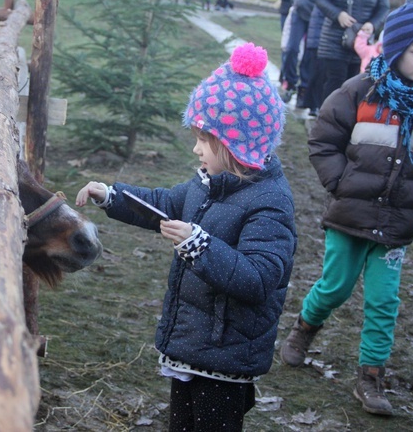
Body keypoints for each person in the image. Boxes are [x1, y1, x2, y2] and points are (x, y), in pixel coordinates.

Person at [76, 43, 297, 431]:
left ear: (234, 144)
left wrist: (201, 246)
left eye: (204, 138)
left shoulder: (270, 203)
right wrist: (113, 196)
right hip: (193, 345)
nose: (196, 148)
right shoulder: (207, 185)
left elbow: (261, 278)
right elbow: (162, 203)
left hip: (227, 355)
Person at [280, 0, 413, 416]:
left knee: (385, 300)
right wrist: (340, 182)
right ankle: (303, 329)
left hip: (398, 224)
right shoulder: (360, 92)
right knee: (336, 287)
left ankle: (371, 375)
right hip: (350, 216)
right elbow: (322, 139)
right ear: (395, 48)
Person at [315, 0, 389, 101]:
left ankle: (344, 124)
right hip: (334, 40)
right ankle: (326, 121)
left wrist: (373, 24)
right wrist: (338, 14)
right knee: (335, 83)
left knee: (354, 85)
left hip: (361, 44)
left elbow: (384, 7)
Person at [303, 0, 358, 117]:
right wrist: (331, 7)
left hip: (348, 31)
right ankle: (315, 106)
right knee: (320, 68)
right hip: (322, 21)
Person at [283, 0, 335, 107]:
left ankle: (303, 90)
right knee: (291, 48)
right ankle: (290, 83)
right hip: (300, 11)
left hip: (319, 15)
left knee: (309, 56)